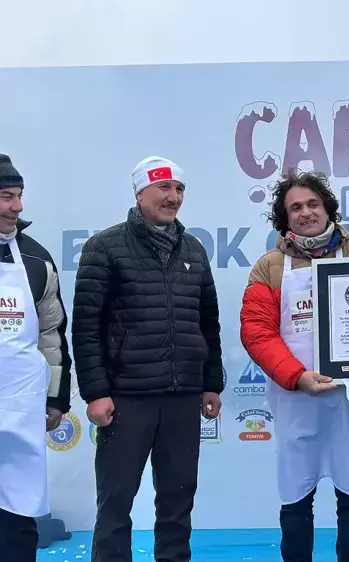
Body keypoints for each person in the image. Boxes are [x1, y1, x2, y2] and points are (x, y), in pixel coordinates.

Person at [239, 169, 349, 562]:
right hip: (298, 399)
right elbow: (257, 332)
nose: (306, 212)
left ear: (327, 208)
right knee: (296, 497)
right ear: (285, 217)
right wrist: (297, 377)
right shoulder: (270, 265)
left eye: (313, 203)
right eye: (295, 207)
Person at [72, 156, 224, 562]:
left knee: (178, 501)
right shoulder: (105, 246)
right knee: (115, 502)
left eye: (179, 189)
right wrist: (95, 392)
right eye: (164, 188)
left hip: (183, 396)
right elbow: (86, 326)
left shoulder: (194, 249)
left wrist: (211, 383)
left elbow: (208, 322)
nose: (173, 197)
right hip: (127, 396)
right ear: (140, 193)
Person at [0, 153, 72, 561]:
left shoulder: (35, 259)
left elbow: (52, 333)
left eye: (19, 196)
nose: (18, 206)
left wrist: (56, 397)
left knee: (18, 508)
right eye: (7, 196)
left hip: (19, 404)